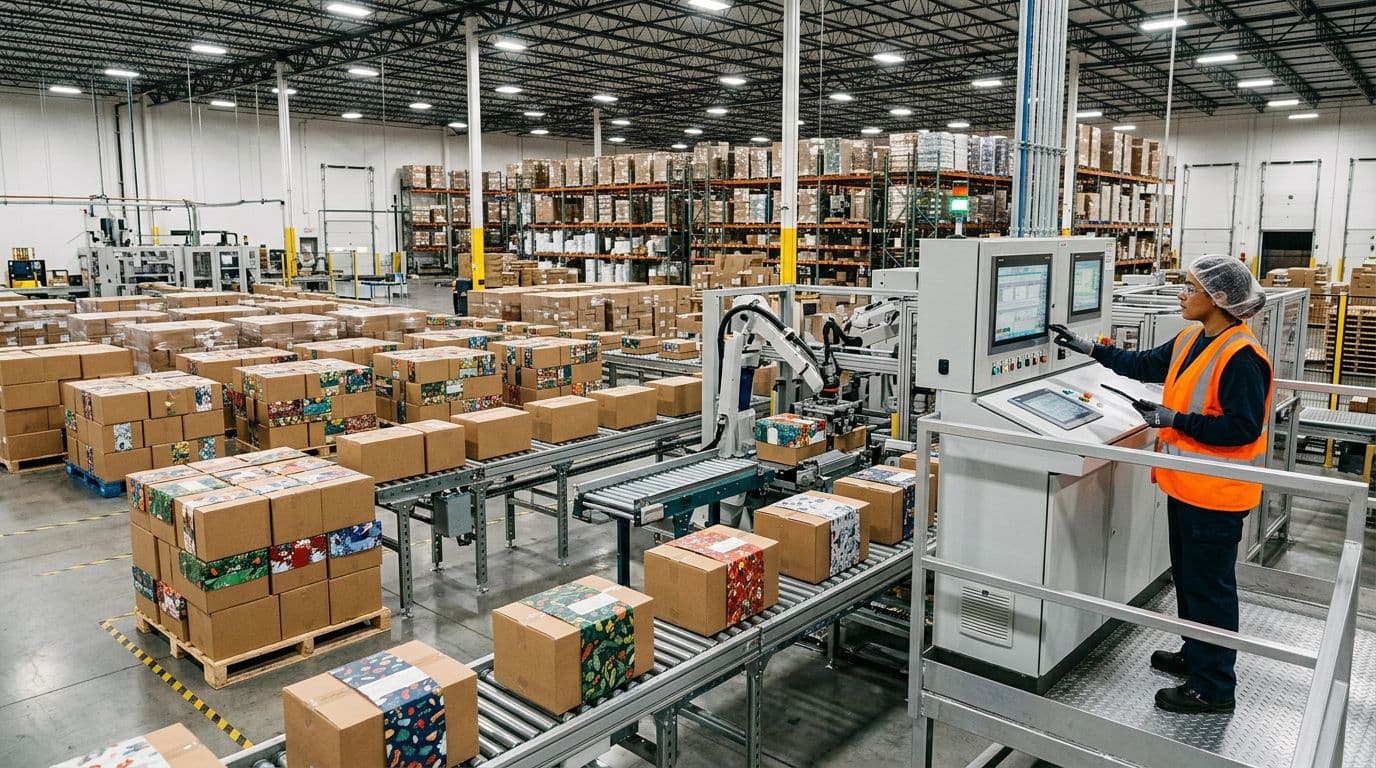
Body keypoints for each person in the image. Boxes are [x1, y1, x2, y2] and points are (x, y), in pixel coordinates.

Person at [1050, 255, 1273, 715]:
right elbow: (1146, 363)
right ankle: (1196, 655)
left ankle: (1213, 687)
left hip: (1216, 495)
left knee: (1211, 589)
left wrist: (1177, 420)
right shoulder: (1195, 337)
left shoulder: (1242, 356)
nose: (1181, 294)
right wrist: (1090, 349)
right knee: (1189, 582)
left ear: (1220, 298)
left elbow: (1242, 428)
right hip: (1186, 487)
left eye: (1190, 288)